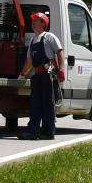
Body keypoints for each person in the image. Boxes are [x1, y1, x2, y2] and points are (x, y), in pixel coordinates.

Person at [19, 11, 64, 140]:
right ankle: (33, 132)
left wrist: (61, 70)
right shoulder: (33, 40)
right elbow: (29, 61)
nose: (33, 23)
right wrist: (22, 74)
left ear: (43, 23)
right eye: (32, 21)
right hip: (36, 75)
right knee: (35, 104)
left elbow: (60, 53)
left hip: (47, 74)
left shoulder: (49, 37)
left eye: (36, 21)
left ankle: (48, 132)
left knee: (47, 104)